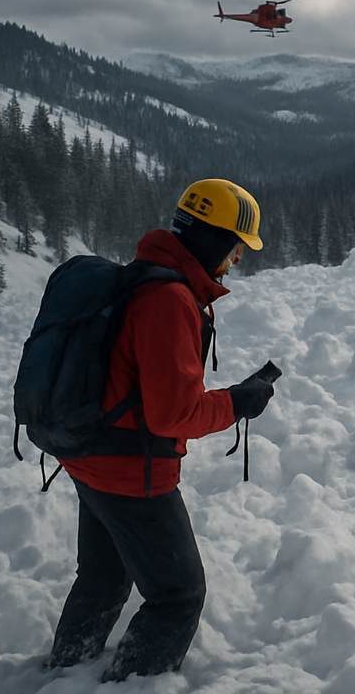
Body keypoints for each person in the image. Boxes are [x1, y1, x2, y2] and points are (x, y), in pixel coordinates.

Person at [46, 179, 280, 681]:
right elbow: (172, 415)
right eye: (237, 245)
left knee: (104, 577)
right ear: (215, 239)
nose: (238, 258)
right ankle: (134, 685)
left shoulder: (143, 276)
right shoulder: (170, 299)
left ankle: (65, 669)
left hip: (88, 455)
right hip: (132, 472)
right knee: (178, 594)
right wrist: (239, 401)